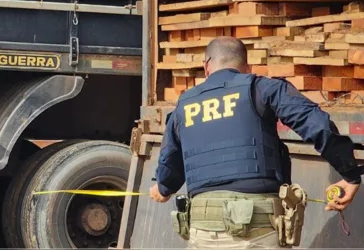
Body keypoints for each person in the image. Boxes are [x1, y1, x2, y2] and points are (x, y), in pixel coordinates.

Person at [150, 36, 362, 248]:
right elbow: (318, 126)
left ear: (206, 66)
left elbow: (169, 163)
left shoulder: (183, 106)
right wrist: (350, 175)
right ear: (247, 67)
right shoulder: (262, 88)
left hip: (202, 230)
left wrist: (162, 188)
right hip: (258, 226)